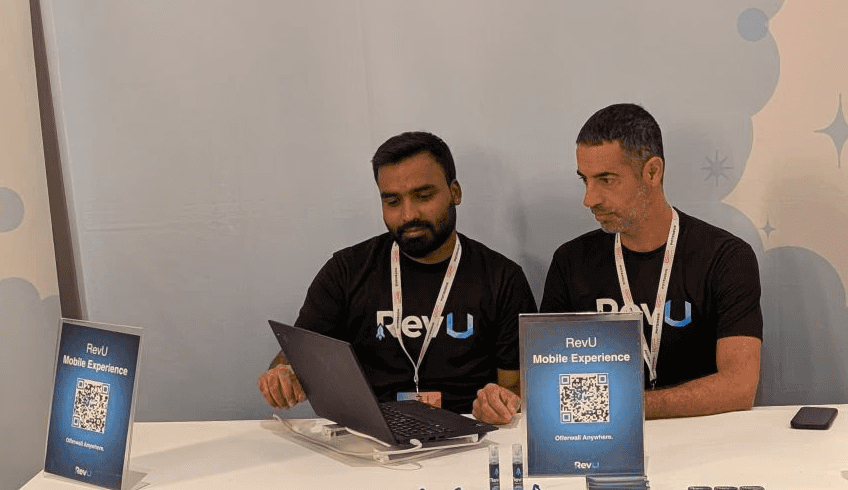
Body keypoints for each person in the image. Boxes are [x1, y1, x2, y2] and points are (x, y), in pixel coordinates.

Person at [260, 132, 536, 425]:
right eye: (392, 201)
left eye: (424, 196)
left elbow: (516, 389)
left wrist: (500, 405)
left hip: (472, 433)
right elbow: (294, 358)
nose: (408, 215)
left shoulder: (502, 278)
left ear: (455, 192)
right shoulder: (346, 271)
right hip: (371, 434)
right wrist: (286, 375)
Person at [540, 103, 762, 418]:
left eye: (606, 180)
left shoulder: (725, 257)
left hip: (705, 438)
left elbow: (739, 386)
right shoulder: (570, 261)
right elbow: (549, 381)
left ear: (652, 172)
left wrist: (627, 406)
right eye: (584, 180)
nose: (589, 199)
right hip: (603, 437)